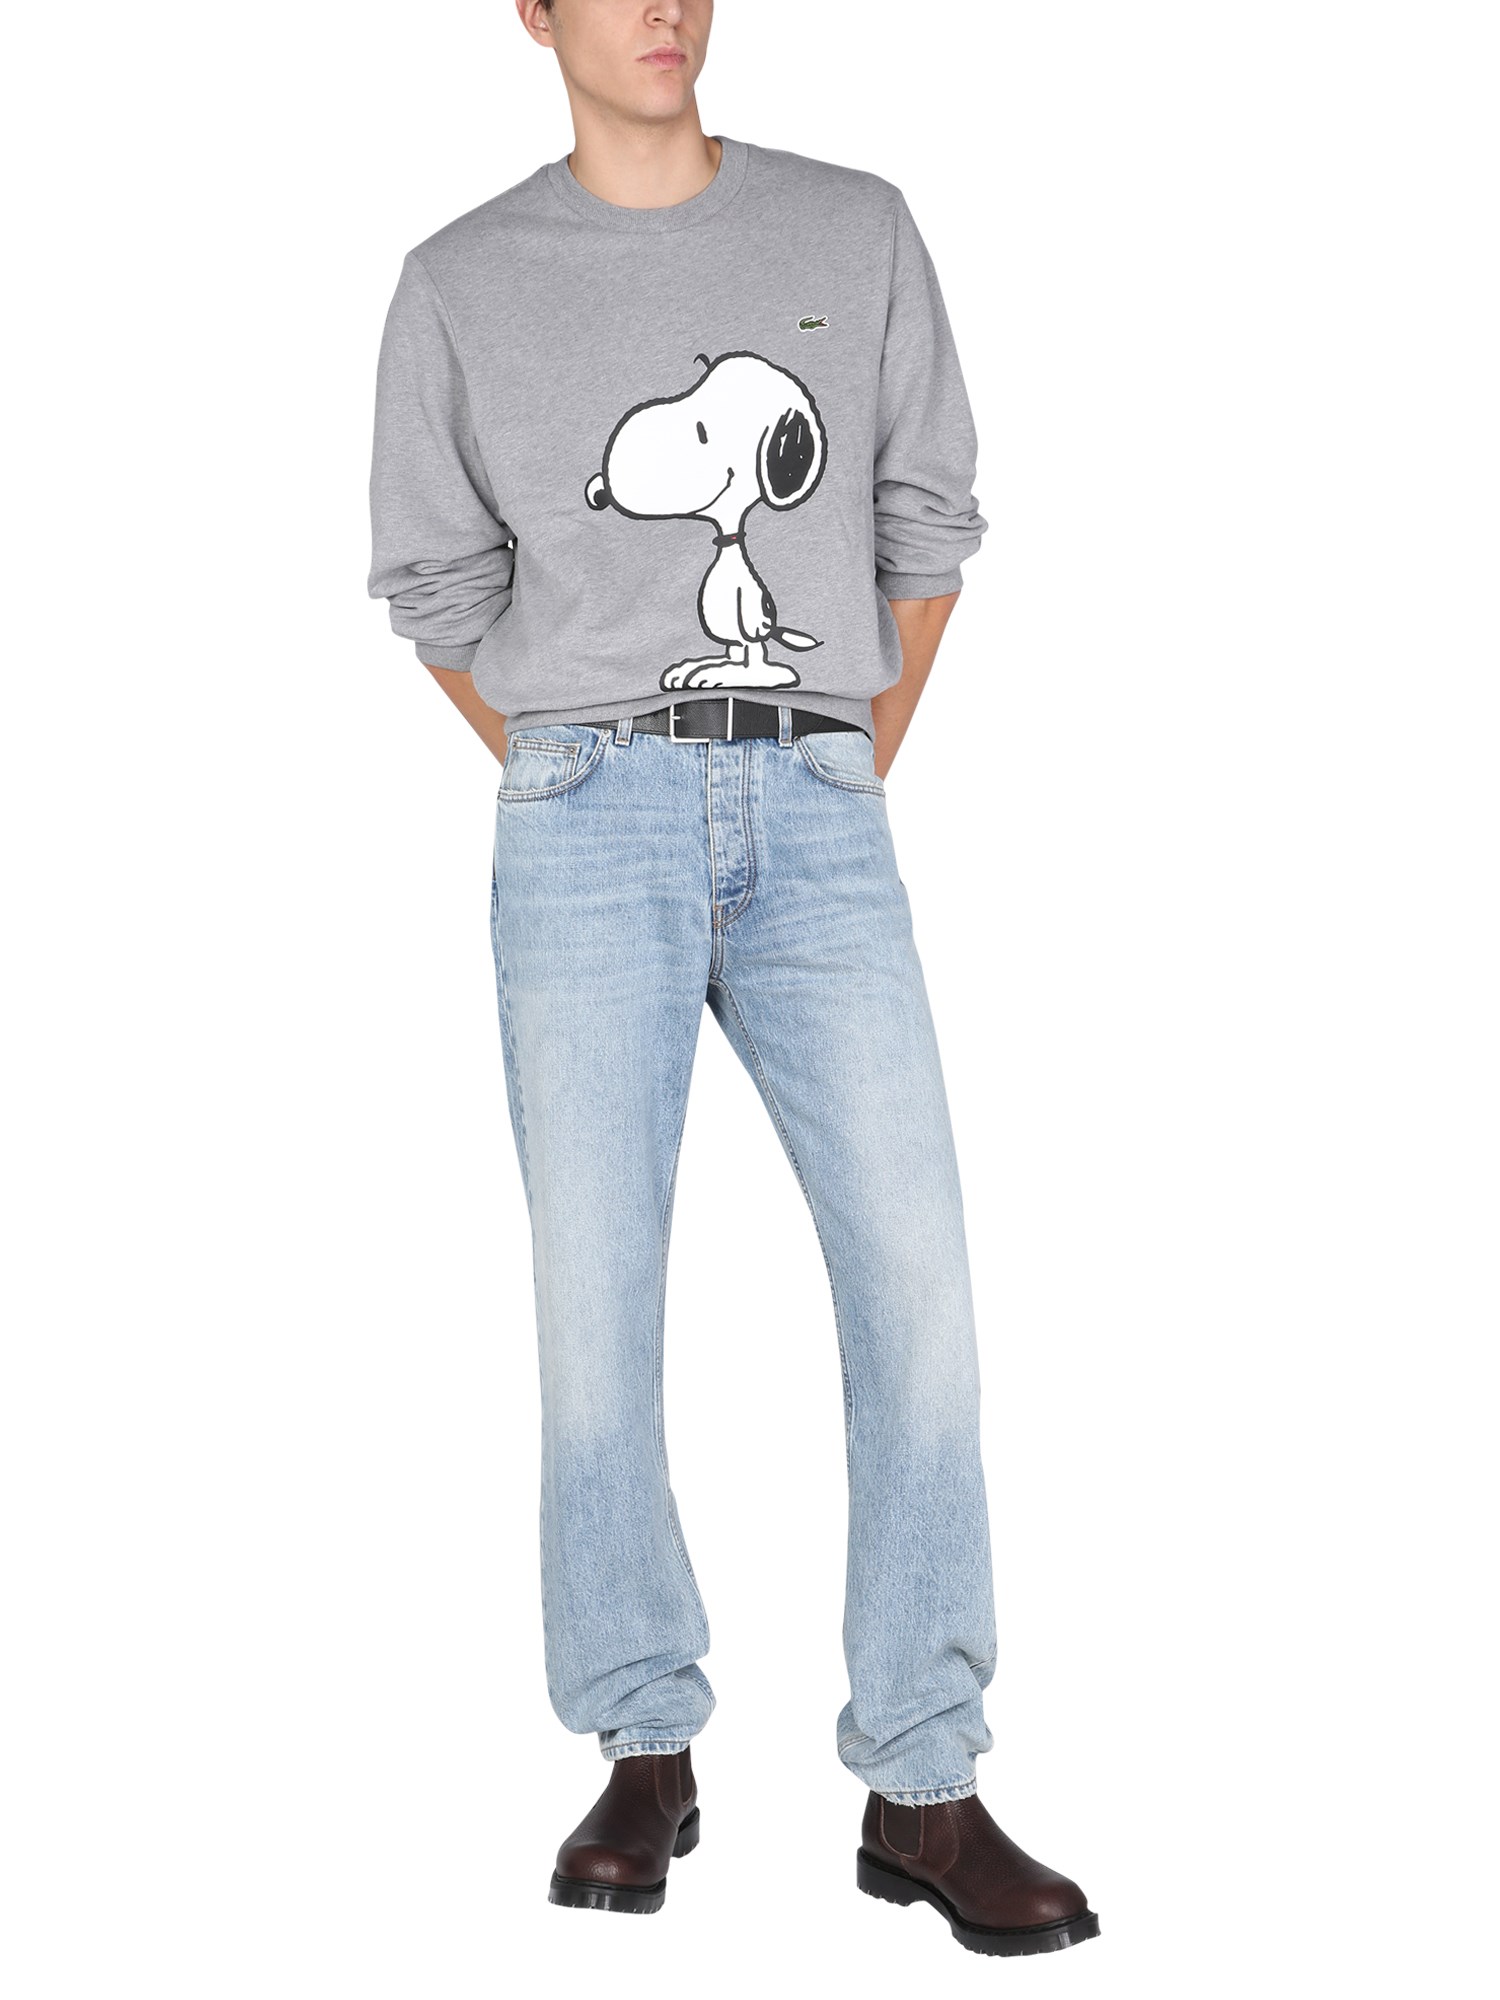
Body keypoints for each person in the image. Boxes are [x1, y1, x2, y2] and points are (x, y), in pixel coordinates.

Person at [366, 0, 1098, 1958]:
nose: (665, 6)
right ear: (533, 12)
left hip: (819, 807)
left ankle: (924, 1779)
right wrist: (574, 755)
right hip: (580, 825)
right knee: (595, 1308)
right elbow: (437, 588)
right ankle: (642, 1739)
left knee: (920, 1290)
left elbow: (925, 518)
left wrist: (844, 754)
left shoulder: (854, 227)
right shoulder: (460, 282)